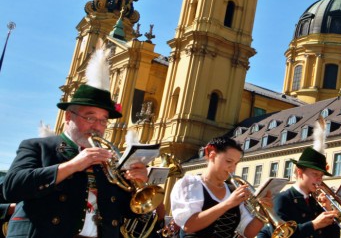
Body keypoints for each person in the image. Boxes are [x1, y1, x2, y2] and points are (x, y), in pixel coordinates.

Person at [2, 83, 150, 238]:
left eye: (103, 120)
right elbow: (12, 187)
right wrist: (73, 165)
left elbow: (125, 211)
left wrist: (137, 187)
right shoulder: (38, 146)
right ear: (68, 116)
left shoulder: (109, 160)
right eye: (90, 117)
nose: (97, 127)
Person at [170, 136, 268, 238]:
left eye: (236, 163)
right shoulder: (190, 184)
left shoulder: (232, 190)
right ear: (212, 155)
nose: (233, 168)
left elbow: (248, 232)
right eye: (229, 161)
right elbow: (189, 226)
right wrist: (228, 204)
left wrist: (263, 211)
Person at [273, 146, 340, 238]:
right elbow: (281, 235)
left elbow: (334, 236)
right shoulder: (283, 198)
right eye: (315, 174)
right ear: (300, 172)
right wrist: (314, 225)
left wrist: (328, 209)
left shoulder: (316, 202)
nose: (319, 179)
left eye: (321, 175)